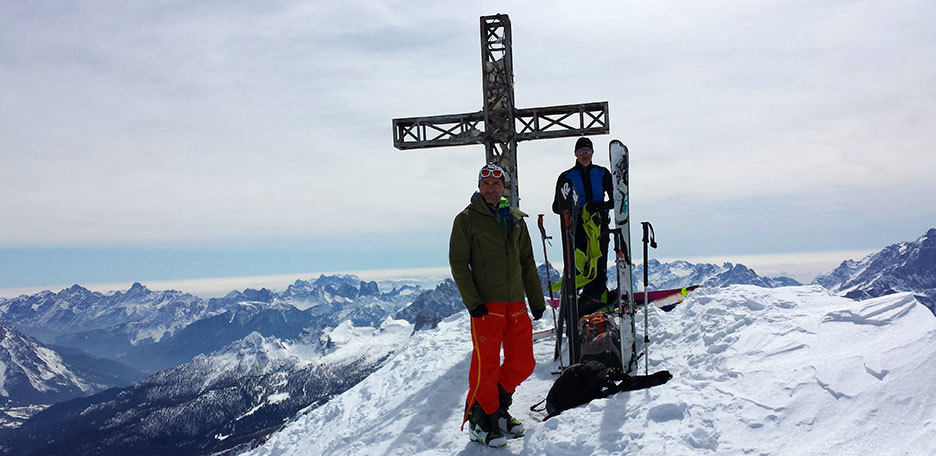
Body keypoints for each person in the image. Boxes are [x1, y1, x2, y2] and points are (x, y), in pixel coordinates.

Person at [449, 163, 547, 447]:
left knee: (524, 362)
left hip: (515, 303)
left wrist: (536, 300)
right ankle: (482, 421)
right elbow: (458, 263)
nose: (491, 188)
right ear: (479, 186)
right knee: (486, 366)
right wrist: (472, 302)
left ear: (504, 186)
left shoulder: (516, 218)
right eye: (485, 183)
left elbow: (527, 262)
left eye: (496, 183)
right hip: (486, 306)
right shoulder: (466, 219)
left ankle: (497, 409)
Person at [551, 137, 614, 304]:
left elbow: (615, 200)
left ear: (592, 153)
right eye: (581, 151)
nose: (584, 155)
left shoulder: (602, 173)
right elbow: (556, 207)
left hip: (599, 225)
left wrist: (597, 207)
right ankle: (580, 298)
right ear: (575, 154)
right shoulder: (566, 176)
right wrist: (574, 209)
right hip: (577, 227)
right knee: (581, 265)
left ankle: (597, 293)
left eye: (587, 151)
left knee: (600, 261)